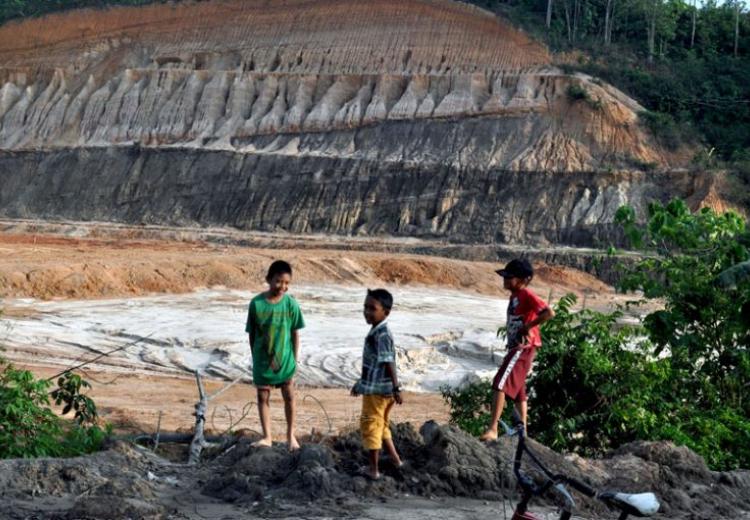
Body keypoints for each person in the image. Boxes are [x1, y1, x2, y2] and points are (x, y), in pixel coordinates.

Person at [480, 259, 554, 441]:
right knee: (519, 391)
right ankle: (524, 432)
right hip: (518, 346)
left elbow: (548, 312)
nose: (505, 280)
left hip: (524, 346)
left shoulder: (526, 294)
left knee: (500, 382)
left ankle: (493, 428)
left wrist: (528, 327)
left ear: (523, 279)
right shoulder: (515, 296)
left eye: (509, 277)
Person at [245, 260, 305, 450]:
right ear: (268, 280)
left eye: (287, 283)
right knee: (263, 397)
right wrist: (255, 358)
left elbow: (295, 333)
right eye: (279, 281)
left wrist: (294, 360)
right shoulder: (256, 304)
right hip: (263, 360)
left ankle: (290, 436)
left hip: (285, 360)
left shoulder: (290, 304)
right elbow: (252, 334)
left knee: (289, 396)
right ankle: (267, 436)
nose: (283, 287)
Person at [350, 288, 403, 481]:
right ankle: (396, 461)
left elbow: (389, 362)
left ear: (385, 312)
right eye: (365, 307)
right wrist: (360, 384)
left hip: (378, 391)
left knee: (370, 425)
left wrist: (396, 388)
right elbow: (374, 365)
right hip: (378, 388)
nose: (367, 312)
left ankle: (373, 469)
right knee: (381, 425)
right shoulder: (378, 332)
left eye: (372, 308)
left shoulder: (381, 334)